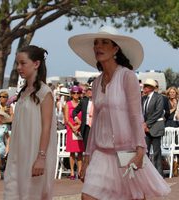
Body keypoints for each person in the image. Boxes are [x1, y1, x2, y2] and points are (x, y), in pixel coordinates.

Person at [68, 26, 170, 200]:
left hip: (126, 152)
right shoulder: (96, 82)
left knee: (132, 197)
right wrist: (87, 156)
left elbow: (135, 115)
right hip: (101, 152)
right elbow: (96, 121)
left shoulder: (127, 76)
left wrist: (140, 150)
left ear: (115, 49)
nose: (98, 46)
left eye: (104, 42)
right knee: (87, 197)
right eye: (96, 43)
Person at [3, 45, 57, 200]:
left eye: (23, 63)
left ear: (36, 64)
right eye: (17, 63)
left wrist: (41, 158)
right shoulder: (23, 92)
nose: (19, 67)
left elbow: (46, 127)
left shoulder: (45, 93)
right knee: (12, 193)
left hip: (34, 156)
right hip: (17, 154)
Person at [64, 85, 85, 180]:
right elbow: (66, 118)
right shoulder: (67, 104)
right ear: (71, 94)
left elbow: (84, 118)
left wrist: (79, 126)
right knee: (72, 152)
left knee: (80, 152)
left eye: (77, 93)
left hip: (80, 129)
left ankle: (80, 171)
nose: (75, 94)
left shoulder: (82, 104)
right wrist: (73, 127)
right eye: (74, 92)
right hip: (71, 129)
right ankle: (72, 172)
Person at [72, 83, 93, 149]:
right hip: (86, 128)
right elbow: (74, 111)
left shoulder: (99, 101)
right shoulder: (83, 101)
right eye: (88, 90)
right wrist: (76, 118)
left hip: (96, 128)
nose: (89, 91)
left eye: (91, 89)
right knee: (87, 149)